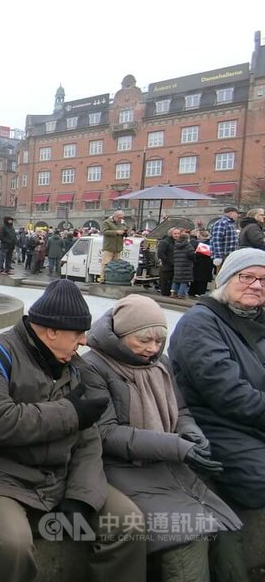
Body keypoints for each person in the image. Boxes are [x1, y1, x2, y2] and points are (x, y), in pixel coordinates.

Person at [0, 279, 146, 582]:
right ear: (51, 331)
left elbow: (88, 440)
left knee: (128, 522)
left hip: (57, 476)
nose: (84, 341)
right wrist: (70, 412)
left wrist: (81, 496)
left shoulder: (76, 368)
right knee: (12, 544)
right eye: (77, 333)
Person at [82, 294, 241, 581]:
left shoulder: (161, 362)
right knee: (186, 534)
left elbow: (179, 410)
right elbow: (107, 434)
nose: (152, 349)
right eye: (143, 340)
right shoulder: (93, 366)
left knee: (224, 531)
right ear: (120, 334)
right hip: (121, 469)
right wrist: (177, 447)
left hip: (167, 464)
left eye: (158, 341)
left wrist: (192, 435)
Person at [169, 247, 265, 579]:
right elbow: (228, 394)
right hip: (211, 425)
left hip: (253, 423)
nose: (256, 285)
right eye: (247, 276)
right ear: (225, 280)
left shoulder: (257, 319)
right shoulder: (201, 322)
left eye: (264, 280)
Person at [100, 210, 127, 282]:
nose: (120, 219)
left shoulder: (122, 222)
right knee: (106, 263)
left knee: (116, 265)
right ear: (114, 216)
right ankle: (102, 278)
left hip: (118, 247)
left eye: (121, 217)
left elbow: (126, 229)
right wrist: (116, 232)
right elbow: (104, 232)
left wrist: (126, 232)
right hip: (109, 247)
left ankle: (113, 279)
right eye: (119, 218)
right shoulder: (107, 222)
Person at [189, 229, 214, 297]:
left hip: (202, 264)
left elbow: (200, 254)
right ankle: (196, 292)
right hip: (203, 264)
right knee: (199, 280)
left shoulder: (204, 244)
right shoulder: (208, 242)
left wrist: (195, 254)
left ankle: (197, 292)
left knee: (199, 280)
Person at [170, 232, 194, 299]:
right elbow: (191, 255)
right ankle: (181, 294)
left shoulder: (176, 245)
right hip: (186, 265)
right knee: (184, 280)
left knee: (176, 279)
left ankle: (173, 293)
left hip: (177, 264)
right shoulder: (188, 246)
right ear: (187, 238)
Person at [157, 227, 179, 297]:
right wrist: (168, 261)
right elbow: (160, 254)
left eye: (178, 233)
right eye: (175, 233)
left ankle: (171, 292)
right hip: (167, 266)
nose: (177, 235)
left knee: (171, 281)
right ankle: (165, 293)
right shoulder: (165, 242)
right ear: (171, 234)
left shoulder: (176, 242)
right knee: (166, 281)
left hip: (174, 265)